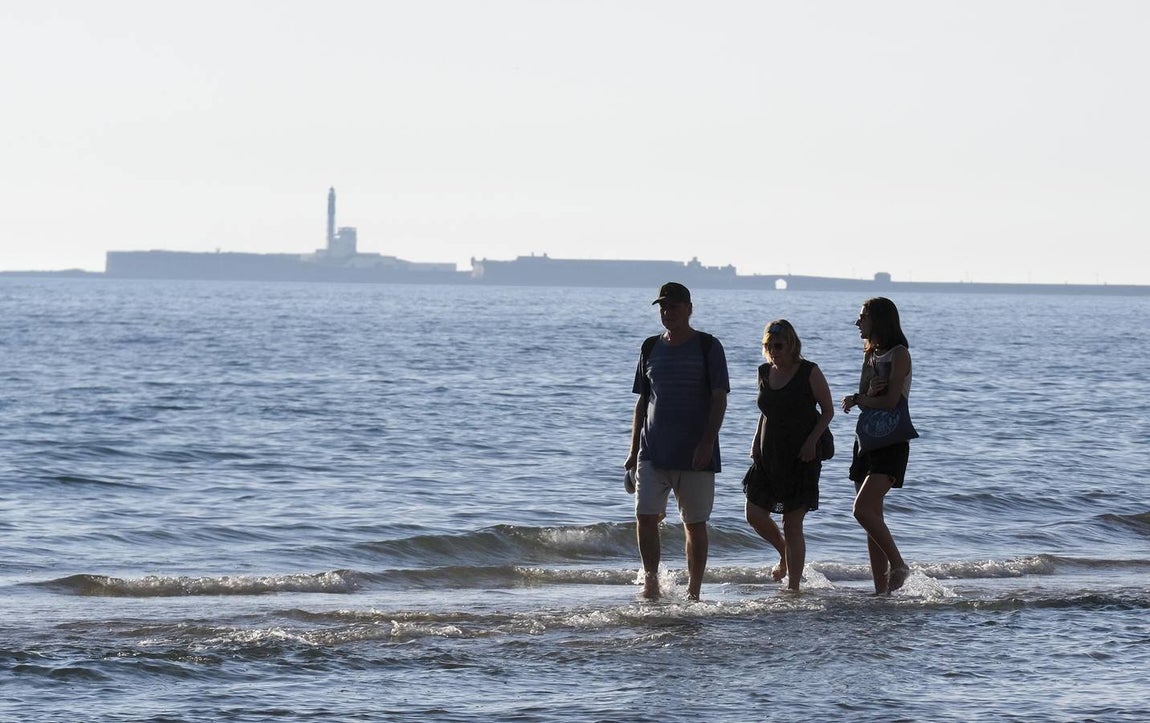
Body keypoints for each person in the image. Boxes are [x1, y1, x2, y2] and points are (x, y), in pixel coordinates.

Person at [624, 282, 730, 601]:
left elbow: (719, 398)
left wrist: (707, 442)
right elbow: (643, 403)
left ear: (688, 308)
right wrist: (632, 453)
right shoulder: (649, 347)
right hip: (652, 450)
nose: (667, 313)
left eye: (673, 306)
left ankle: (694, 592)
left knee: (694, 524)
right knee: (645, 517)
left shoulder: (708, 346)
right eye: (663, 308)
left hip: (696, 453)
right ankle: (652, 583)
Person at [744, 320, 834, 592]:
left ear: (792, 344)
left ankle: (793, 585)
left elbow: (828, 410)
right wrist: (754, 442)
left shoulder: (809, 371)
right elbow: (767, 410)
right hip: (768, 454)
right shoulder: (763, 372)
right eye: (769, 346)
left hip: (802, 456)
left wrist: (811, 442)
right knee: (754, 513)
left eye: (779, 345)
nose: (774, 351)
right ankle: (784, 554)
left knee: (792, 522)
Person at [840, 297, 913, 594]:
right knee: (873, 519)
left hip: (892, 441)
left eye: (862, 317)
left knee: (862, 510)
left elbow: (891, 401)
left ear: (878, 320)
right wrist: (864, 396)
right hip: (866, 440)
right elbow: (865, 398)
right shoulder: (870, 355)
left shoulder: (899, 354)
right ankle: (880, 591)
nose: (857, 322)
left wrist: (862, 399)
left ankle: (898, 565)